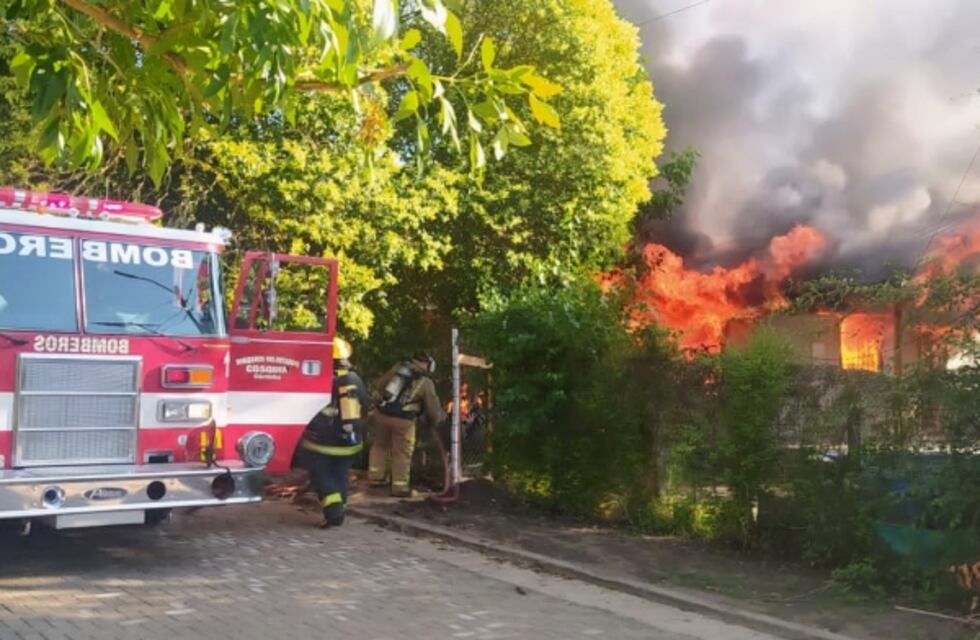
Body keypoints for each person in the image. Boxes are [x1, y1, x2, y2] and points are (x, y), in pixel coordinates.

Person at [300, 337, 369, 528]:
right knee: (340, 475)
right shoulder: (355, 379)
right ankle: (340, 509)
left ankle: (334, 512)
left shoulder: (322, 380)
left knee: (322, 476)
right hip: (351, 443)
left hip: (324, 444)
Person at [367, 351, 444, 497]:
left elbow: (379, 385)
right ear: (427, 364)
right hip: (403, 421)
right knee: (402, 453)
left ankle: (376, 478)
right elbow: (433, 408)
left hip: (381, 415)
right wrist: (433, 422)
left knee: (380, 445)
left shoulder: (397, 369)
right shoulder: (425, 382)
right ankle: (399, 487)